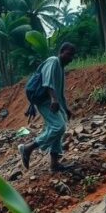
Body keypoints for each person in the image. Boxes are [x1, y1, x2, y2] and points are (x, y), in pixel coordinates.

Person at [18, 42, 77, 172]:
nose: (70, 58)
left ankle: (54, 164)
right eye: (68, 54)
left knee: (59, 129)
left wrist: (66, 108)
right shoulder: (53, 61)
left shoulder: (61, 68)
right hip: (45, 100)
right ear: (61, 52)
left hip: (50, 100)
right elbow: (47, 82)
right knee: (59, 126)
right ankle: (27, 148)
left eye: (72, 56)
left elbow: (60, 92)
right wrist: (54, 99)